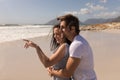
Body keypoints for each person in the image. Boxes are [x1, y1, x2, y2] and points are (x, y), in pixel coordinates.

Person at [48, 14, 97, 80]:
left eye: (62, 27)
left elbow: (67, 73)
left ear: (72, 28)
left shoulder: (76, 45)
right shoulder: (77, 41)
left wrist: (52, 72)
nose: (60, 30)